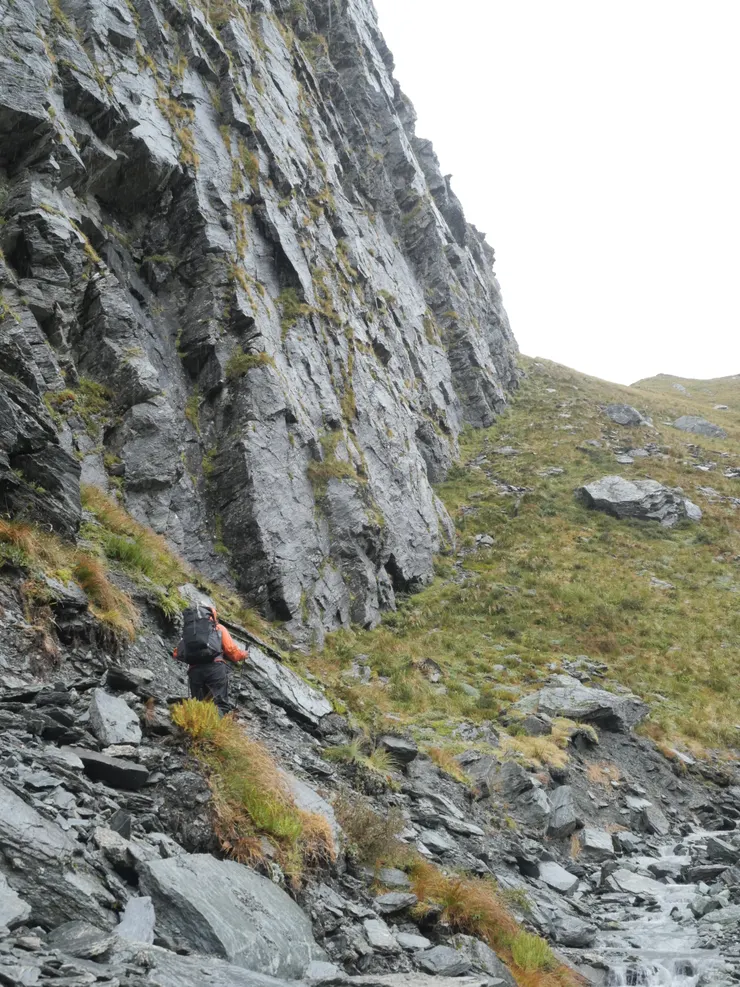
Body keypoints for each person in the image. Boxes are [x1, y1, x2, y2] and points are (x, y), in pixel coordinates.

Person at [173, 605, 248, 716]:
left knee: (198, 704)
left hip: (194, 671)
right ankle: (215, 730)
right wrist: (243, 655)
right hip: (215, 669)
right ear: (212, 615)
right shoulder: (217, 628)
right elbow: (232, 652)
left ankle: (196, 730)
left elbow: (176, 653)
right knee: (220, 704)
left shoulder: (190, 632)